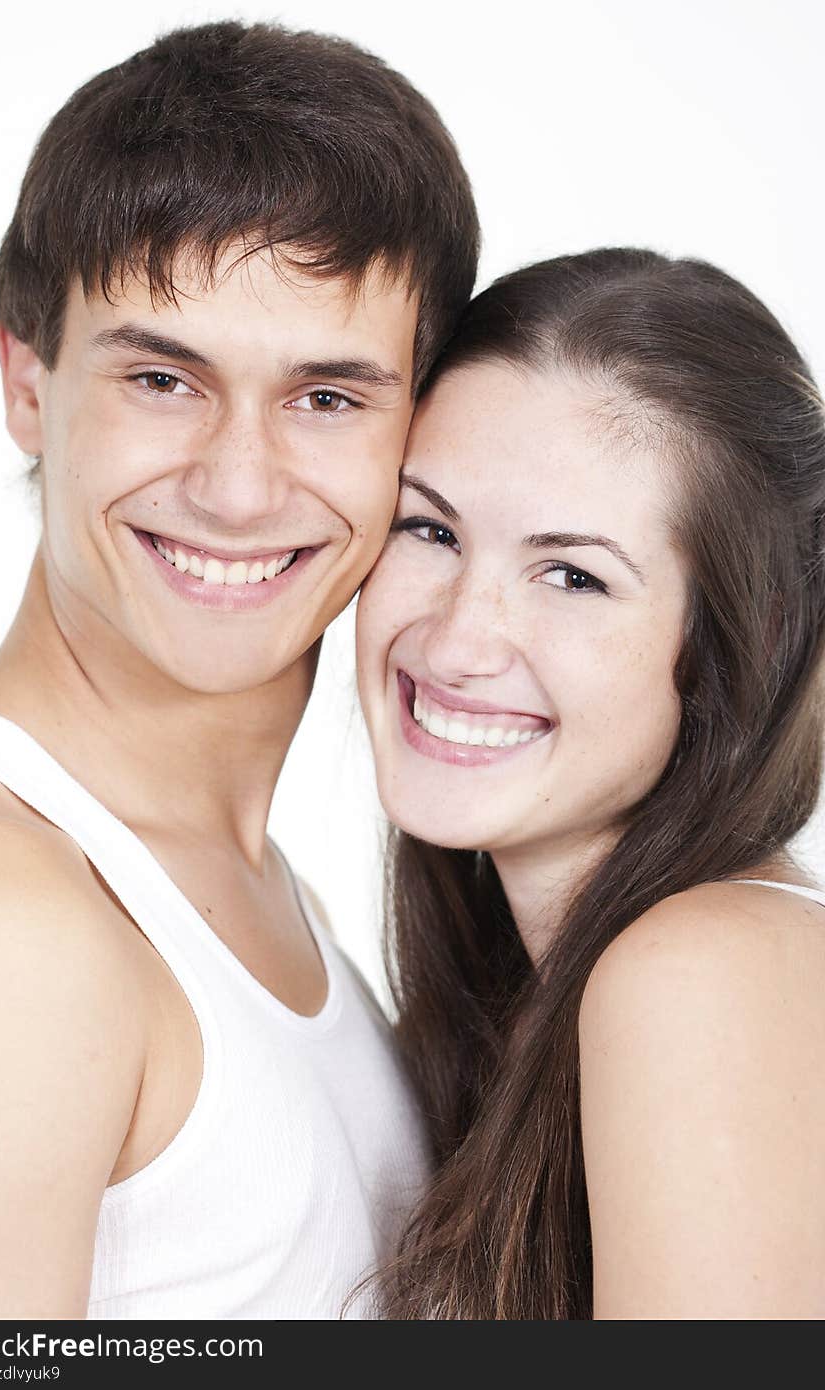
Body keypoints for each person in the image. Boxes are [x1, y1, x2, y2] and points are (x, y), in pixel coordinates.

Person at [0, 20, 479, 1319]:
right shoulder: (1, 922)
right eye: (162, 377)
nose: (239, 488)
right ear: (29, 377)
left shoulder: (254, 889)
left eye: (328, 397)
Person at [356, 248, 825, 1319]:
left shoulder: (702, 972)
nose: (457, 639)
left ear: (727, 645)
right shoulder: (525, 1001)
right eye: (428, 529)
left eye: (572, 574)